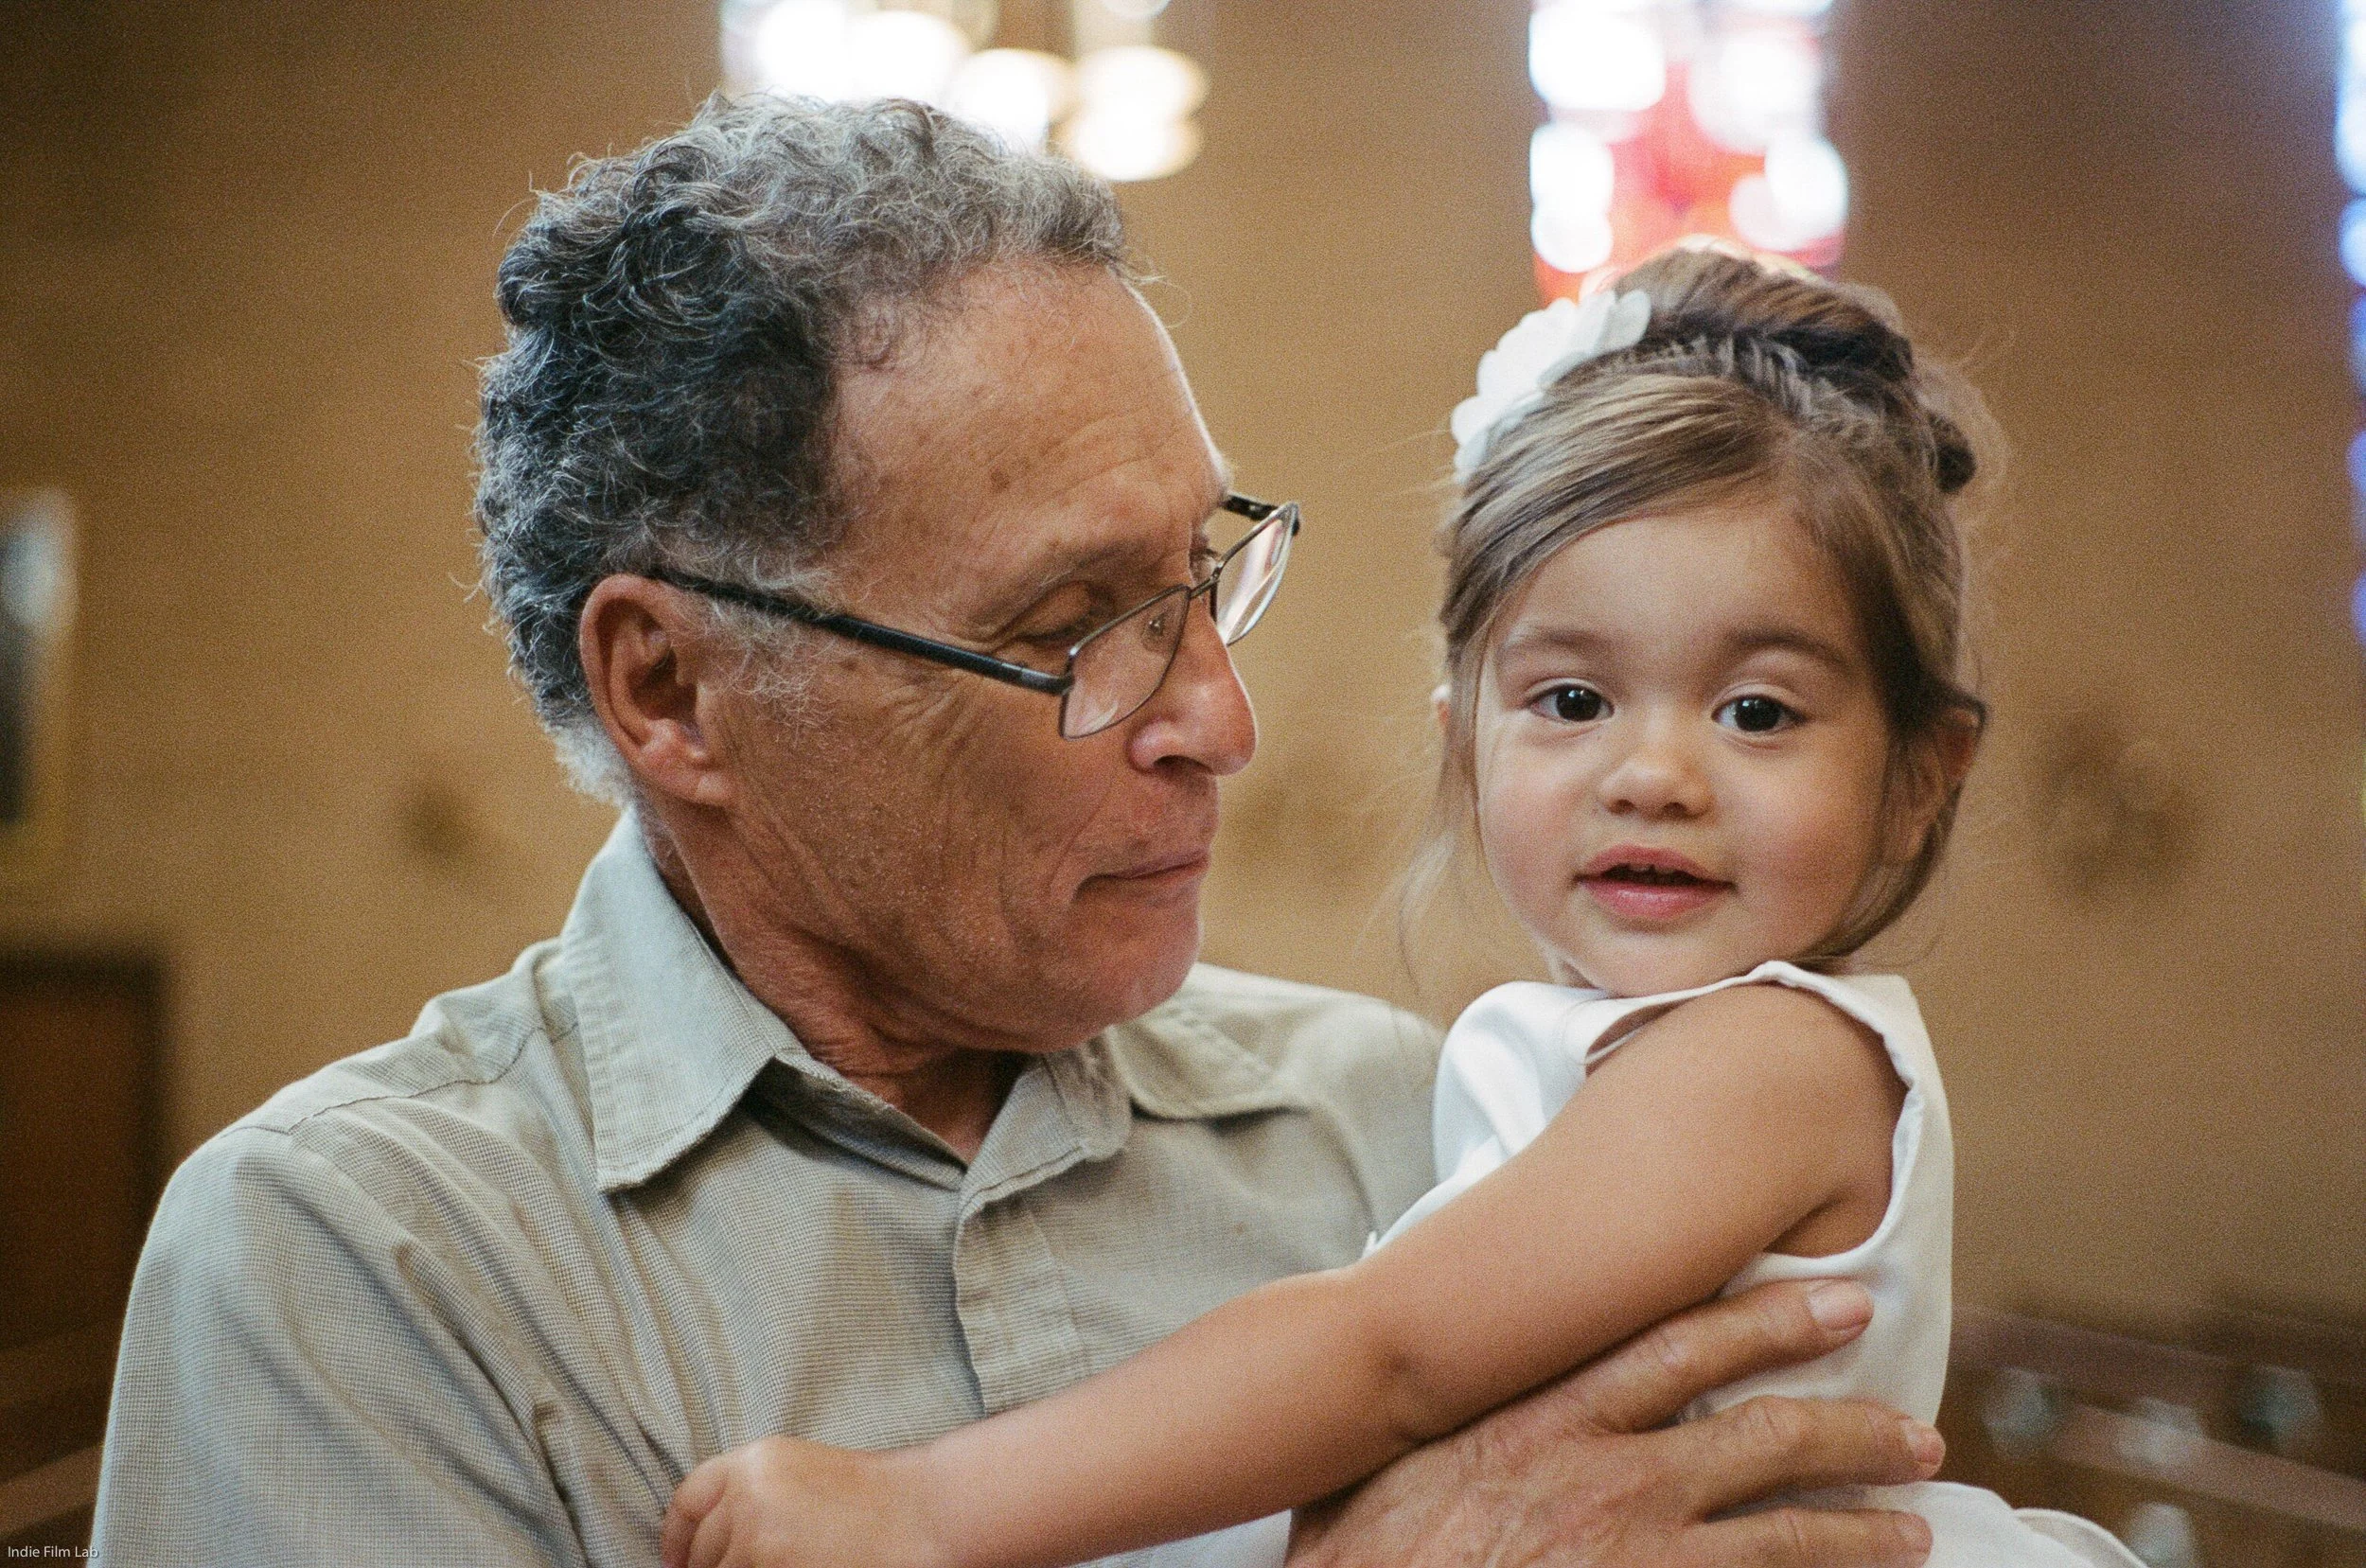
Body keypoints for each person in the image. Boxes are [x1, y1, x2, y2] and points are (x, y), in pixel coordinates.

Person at [93, 99, 1947, 1568]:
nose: (1220, 725)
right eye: (1073, 631)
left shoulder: (1393, 1124)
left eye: (1203, 581)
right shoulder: (365, 1265)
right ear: (671, 690)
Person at [659, 249, 2145, 1568]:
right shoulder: (1607, 1050)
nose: (1655, 775)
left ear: (1919, 778)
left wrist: (925, 1511)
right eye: (1572, 700)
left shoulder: (1776, 1061)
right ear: (1464, 744)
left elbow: (1386, 1358)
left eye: (1758, 711)